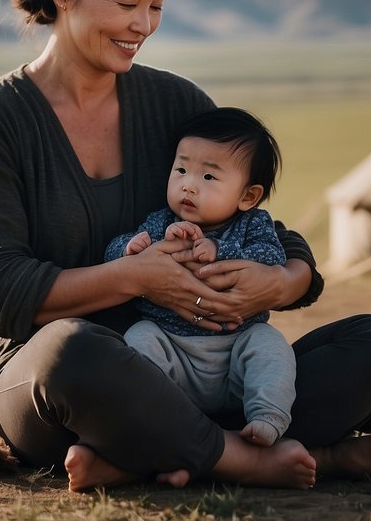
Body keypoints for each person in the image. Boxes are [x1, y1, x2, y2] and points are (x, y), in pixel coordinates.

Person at [0, 0, 371, 492]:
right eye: (129, 3)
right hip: (44, 374)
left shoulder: (177, 105)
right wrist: (138, 278)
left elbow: (260, 221)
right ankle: (293, 460)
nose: (144, 25)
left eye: (157, 6)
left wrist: (286, 280)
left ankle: (156, 453)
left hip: (194, 369)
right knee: (73, 353)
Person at [105, 107, 296, 449]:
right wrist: (130, 249)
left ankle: (267, 416)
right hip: (172, 348)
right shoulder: (162, 223)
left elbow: (273, 257)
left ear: (247, 196)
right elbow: (114, 255)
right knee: (139, 337)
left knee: (270, 346)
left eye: (208, 177)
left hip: (237, 348)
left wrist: (220, 250)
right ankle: (164, 424)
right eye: (181, 170)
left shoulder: (253, 224)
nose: (188, 186)